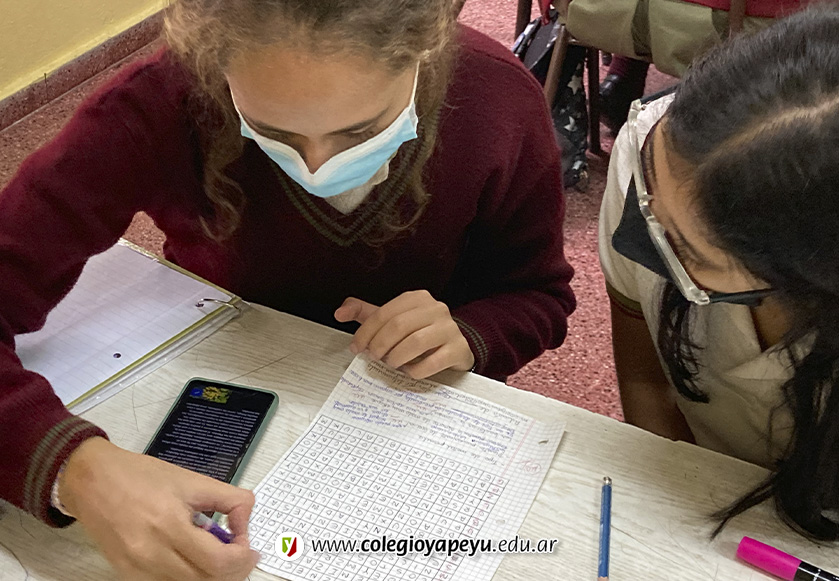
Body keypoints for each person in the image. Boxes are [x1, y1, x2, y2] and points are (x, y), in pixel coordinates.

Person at [0, 0, 576, 578]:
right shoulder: (158, 103)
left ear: (424, 50)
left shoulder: (497, 100)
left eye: (361, 131)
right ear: (217, 65)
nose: (317, 167)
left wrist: (471, 334)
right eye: (272, 132)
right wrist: (75, 469)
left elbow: (537, 293)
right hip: (221, 384)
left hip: (413, 422)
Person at [599, 5, 839, 541]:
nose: (646, 223)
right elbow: (644, 378)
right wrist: (676, 529)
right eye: (646, 192)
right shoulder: (651, 147)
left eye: (689, 251)